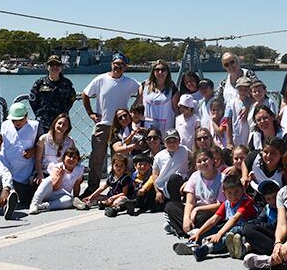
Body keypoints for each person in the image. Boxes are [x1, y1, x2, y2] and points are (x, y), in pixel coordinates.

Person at [82, 52, 140, 196]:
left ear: (125, 67)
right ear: (111, 64)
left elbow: (141, 88)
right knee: (97, 158)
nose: (118, 67)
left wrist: (137, 103)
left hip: (120, 126)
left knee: (120, 159)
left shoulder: (129, 82)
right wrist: (91, 113)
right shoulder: (101, 79)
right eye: (116, 64)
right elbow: (85, 94)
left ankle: (120, 188)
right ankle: (92, 188)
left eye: (121, 65)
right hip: (103, 124)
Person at [187, 175, 259, 262]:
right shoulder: (226, 203)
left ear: (243, 190)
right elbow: (214, 219)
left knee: (227, 234)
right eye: (229, 193)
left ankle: (208, 248)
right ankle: (197, 242)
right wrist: (199, 233)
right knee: (213, 231)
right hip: (231, 228)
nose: (233, 196)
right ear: (224, 193)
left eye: (236, 191)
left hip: (247, 228)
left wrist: (220, 233)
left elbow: (235, 218)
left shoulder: (246, 201)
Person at [167, 148, 224, 238]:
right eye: (199, 161)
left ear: (213, 160)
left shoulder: (222, 178)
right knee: (170, 206)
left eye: (205, 160)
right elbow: (190, 202)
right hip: (195, 211)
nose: (202, 163)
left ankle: (183, 229)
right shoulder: (195, 176)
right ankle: (190, 230)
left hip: (211, 212)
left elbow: (220, 205)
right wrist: (186, 218)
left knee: (202, 218)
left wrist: (197, 210)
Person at [0, 102, 38, 206]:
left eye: (20, 120)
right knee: (3, 183)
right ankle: (4, 202)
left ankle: (11, 199)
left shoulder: (34, 126)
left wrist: (33, 150)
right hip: (6, 163)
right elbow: (0, 137)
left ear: (26, 116)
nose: (17, 122)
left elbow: (41, 144)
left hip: (23, 170)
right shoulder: (6, 125)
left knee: (24, 197)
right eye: (14, 120)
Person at [226, 179, 279, 260]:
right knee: (248, 226)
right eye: (269, 199)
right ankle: (242, 247)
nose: (272, 201)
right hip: (267, 231)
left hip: (277, 235)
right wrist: (255, 223)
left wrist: (262, 226)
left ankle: (244, 245)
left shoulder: (284, 207)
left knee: (248, 230)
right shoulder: (267, 208)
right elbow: (259, 219)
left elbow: (277, 224)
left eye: (274, 197)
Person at [29, 147, 85, 214]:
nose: (71, 159)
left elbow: (77, 185)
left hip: (60, 195)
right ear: (64, 158)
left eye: (74, 157)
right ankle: (34, 203)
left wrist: (76, 197)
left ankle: (43, 206)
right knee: (47, 180)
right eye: (69, 156)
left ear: (78, 160)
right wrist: (60, 176)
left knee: (69, 200)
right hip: (49, 192)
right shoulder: (58, 167)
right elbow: (55, 188)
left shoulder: (79, 170)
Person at [28, 54, 76, 130]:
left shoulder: (67, 83)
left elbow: (71, 99)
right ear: (47, 67)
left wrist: (64, 111)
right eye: (51, 65)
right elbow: (32, 100)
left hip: (61, 123)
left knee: (61, 141)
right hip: (44, 123)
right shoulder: (40, 83)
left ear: (61, 67)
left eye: (57, 65)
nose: (55, 67)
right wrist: (40, 114)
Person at [152, 129, 191, 221]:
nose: (172, 143)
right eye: (169, 141)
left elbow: (195, 160)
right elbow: (154, 174)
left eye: (174, 141)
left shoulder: (184, 150)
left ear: (179, 141)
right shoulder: (158, 156)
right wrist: (157, 191)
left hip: (182, 181)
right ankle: (175, 210)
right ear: (164, 143)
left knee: (176, 178)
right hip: (165, 186)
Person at [34, 113, 76, 182]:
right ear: (54, 124)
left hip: (61, 173)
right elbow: (37, 159)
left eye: (64, 125)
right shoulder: (44, 139)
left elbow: (74, 158)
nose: (61, 126)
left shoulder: (70, 142)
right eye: (59, 123)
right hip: (45, 172)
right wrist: (40, 174)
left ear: (67, 128)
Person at [142, 60, 179, 133]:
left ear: (167, 72)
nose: (160, 72)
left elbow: (176, 111)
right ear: (153, 71)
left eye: (163, 70)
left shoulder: (173, 89)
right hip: (148, 127)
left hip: (166, 128)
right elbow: (138, 105)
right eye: (157, 70)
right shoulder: (144, 86)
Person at [225, 76, 253, 148]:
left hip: (250, 136)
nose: (243, 92)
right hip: (236, 137)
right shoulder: (230, 104)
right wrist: (229, 142)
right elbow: (228, 123)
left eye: (245, 89)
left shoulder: (253, 102)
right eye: (240, 89)